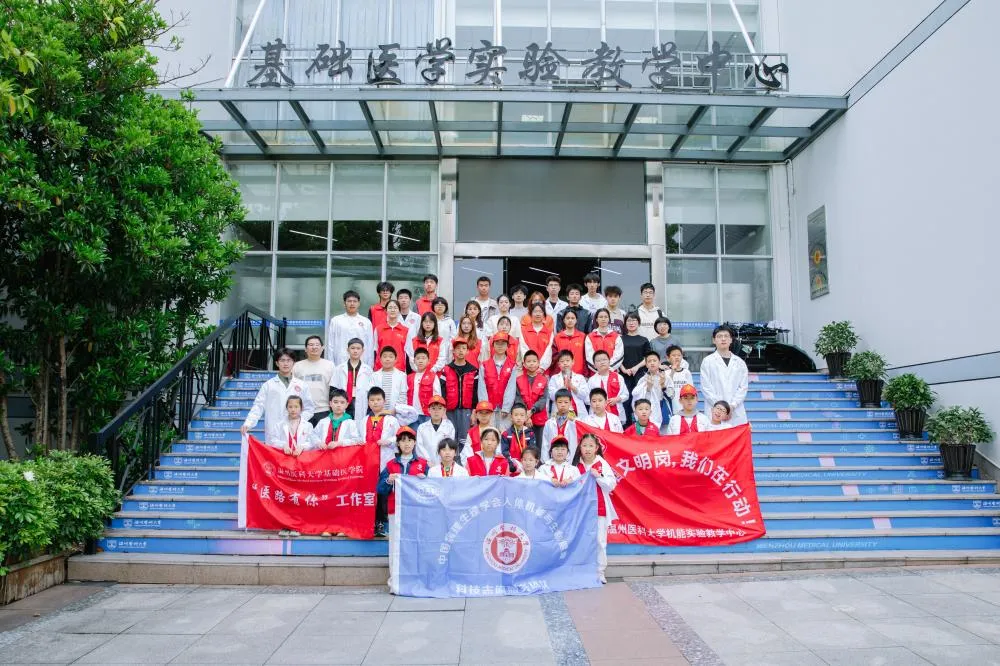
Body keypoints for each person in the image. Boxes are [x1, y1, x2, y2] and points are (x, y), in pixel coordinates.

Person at [377, 426, 427, 594]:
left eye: (410, 440)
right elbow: (380, 489)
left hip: (416, 512)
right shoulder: (391, 465)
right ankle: (395, 582)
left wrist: (424, 481)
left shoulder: (422, 464)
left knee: (416, 546)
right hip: (396, 511)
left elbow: (431, 490)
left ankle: (417, 581)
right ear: (398, 443)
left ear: (415, 443)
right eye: (403, 440)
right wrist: (388, 481)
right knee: (395, 547)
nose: (407, 444)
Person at [242, 348, 316, 444]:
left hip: (296, 431)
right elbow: (258, 406)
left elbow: (309, 408)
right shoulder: (268, 385)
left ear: (293, 363)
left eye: (289, 360)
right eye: (282, 360)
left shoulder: (302, 385)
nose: (286, 363)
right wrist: (248, 423)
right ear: (277, 363)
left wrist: (298, 420)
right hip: (274, 429)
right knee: (274, 450)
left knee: (295, 451)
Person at [573, 432, 617, 584]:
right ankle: (582, 570)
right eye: (584, 445)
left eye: (591, 446)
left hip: (599, 507)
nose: (587, 449)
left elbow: (611, 485)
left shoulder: (601, 464)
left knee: (599, 540)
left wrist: (598, 476)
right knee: (581, 540)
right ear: (580, 447)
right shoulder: (575, 465)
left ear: (597, 448)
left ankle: (599, 571)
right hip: (580, 510)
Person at [363, 387, 399, 537]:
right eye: (372, 400)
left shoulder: (391, 420)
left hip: (385, 460)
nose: (375, 402)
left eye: (378, 399)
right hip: (367, 462)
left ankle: (383, 523)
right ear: (368, 402)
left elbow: (398, 437)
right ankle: (370, 522)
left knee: (383, 492)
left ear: (384, 401)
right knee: (369, 492)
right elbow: (358, 438)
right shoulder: (364, 420)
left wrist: (388, 441)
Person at [700, 324, 750, 426]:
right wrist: (721, 408)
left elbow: (743, 388)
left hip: (735, 411)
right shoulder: (707, 361)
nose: (723, 339)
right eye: (719, 336)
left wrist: (732, 406)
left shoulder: (740, 363)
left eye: (726, 336)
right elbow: (706, 387)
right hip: (715, 410)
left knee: (737, 435)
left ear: (731, 340)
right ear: (714, 340)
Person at [442, 338, 479, 449]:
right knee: (450, 438)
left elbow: (476, 393)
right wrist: (443, 411)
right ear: (453, 351)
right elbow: (442, 392)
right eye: (458, 348)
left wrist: (474, 412)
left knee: (464, 439)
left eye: (463, 348)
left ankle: (463, 460)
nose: (461, 351)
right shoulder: (446, 369)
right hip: (449, 411)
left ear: (467, 351)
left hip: (466, 411)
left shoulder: (473, 370)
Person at [479, 332, 518, 431]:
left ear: (507, 346)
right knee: (489, 434)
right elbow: (482, 388)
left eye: (503, 343)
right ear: (493, 345)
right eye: (497, 343)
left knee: (504, 435)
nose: (500, 346)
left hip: (505, 410)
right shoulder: (484, 365)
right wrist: (485, 407)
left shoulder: (512, 365)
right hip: (489, 409)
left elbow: (511, 388)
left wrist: (506, 407)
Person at [293, 336, 336, 426]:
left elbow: (334, 389)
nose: (314, 347)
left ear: (322, 348)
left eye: (317, 344)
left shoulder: (330, 365)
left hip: (324, 410)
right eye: (311, 345)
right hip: (303, 411)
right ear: (305, 349)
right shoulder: (297, 366)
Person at [326, 290, 375, 367]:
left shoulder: (366, 322)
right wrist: (331, 365)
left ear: (359, 303)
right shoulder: (336, 321)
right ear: (344, 303)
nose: (352, 304)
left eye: (355, 301)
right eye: (349, 301)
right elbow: (330, 344)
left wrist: (370, 366)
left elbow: (370, 345)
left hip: (362, 361)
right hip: (340, 360)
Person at [620, 312, 652, 425]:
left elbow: (647, 357)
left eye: (634, 320)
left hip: (640, 375)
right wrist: (623, 369)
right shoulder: (620, 339)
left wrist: (636, 367)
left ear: (638, 323)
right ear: (625, 323)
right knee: (625, 400)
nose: (631, 323)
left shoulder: (644, 340)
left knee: (640, 399)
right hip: (624, 374)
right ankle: (627, 426)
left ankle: (641, 425)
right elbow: (617, 356)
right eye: (629, 320)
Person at [370, 346, 414, 426]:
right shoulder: (374, 376)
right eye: (385, 357)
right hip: (378, 414)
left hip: (396, 414)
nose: (387, 359)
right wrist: (379, 410)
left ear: (395, 359)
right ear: (380, 359)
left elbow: (403, 396)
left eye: (390, 357)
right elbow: (372, 395)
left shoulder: (402, 376)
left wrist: (394, 411)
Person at [330, 338, 372, 420]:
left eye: (358, 348)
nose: (355, 351)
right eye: (352, 348)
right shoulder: (339, 368)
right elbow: (333, 388)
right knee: (343, 424)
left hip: (361, 402)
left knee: (360, 423)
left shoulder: (368, 370)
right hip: (343, 401)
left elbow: (371, 391)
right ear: (347, 350)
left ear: (363, 351)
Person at [630, 350, 672, 434]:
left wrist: (663, 386)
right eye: (649, 361)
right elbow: (638, 399)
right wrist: (648, 388)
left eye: (654, 360)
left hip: (663, 407)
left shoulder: (666, 377)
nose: (652, 363)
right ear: (646, 364)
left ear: (659, 362)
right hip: (648, 410)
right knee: (649, 434)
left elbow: (671, 395)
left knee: (663, 433)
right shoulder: (643, 380)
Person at [515, 350, 550, 443]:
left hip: (539, 419)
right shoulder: (518, 380)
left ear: (538, 363)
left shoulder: (544, 380)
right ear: (524, 364)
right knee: (524, 445)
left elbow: (543, 399)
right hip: (522, 419)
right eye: (529, 361)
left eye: (534, 361)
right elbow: (518, 399)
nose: (531, 364)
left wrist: (531, 411)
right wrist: (526, 416)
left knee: (539, 445)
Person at [587, 350, 630, 421]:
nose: (602, 362)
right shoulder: (591, 380)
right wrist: (599, 402)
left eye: (604, 359)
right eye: (598, 361)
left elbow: (626, 395)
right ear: (594, 365)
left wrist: (617, 399)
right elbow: (587, 399)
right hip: (597, 416)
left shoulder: (618, 377)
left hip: (617, 413)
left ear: (609, 361)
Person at [406, 348, 442, 427]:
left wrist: (436, 412)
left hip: (427, 413)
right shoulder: (409, 377)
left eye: (423, 358)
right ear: (414, 361)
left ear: (428, 361)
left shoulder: (433, 376)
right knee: (413, 434)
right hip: (412, 414)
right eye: (418, 358)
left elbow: (437, 395)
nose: (420, 361)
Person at [415, 395, 455, 466]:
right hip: (426, 464)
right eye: (433, 408)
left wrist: (443, 462)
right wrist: (428, 462)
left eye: (440, 408)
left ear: (444, 410)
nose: (436, 411)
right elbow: (419, 447)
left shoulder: (449, 426)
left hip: (444, 464)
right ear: (429, 410)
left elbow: (450, 446)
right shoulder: (422, 427)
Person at [547, 350, 589, 417]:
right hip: (560, 411)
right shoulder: (554, 378)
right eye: (562, 361)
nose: (565, 363)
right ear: (558, 364)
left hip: (578, 412)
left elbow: (584, 395)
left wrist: (572, 387)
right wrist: (564, 387)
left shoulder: (580, 377)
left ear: (573, 362)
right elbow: (552, 396)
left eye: (567, 360)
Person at [542, 389, 579, 461]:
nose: (563, 405)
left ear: (570, 403)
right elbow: (545, 444)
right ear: (555, 403)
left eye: (566, 402)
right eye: (560, 402)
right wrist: (546, 461)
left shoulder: (576, 422)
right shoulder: (549, 423)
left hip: (571, 460)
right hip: (552, 460)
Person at [374, 300, 409, 371]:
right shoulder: (378, 329)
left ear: (399, 311)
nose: (392, 310)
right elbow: (375, 349)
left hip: (399, 369)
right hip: (381, 369)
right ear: (386, 310)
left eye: (395, 308)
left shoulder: (405, 330)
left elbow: (408, 351)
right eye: (390, 308)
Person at [586, 308, 623, 372]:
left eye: (606, 317)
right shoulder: (590, 337)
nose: (603, 319)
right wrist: (599, 369)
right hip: (595, 373)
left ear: (609, 319)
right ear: (596, 319)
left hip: (612, 372)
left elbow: (619, 355)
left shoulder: (616, 336)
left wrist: (609, 368)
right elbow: (589, 356)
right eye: (601, 317)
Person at [552, 309, 587, 376]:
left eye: (572, 318)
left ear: (576, 320)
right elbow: (555, 358)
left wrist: (585, 374)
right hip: (561, 374)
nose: (570, 320)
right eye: (568, 318)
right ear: (564, 320)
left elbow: (585, 357)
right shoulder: (557, 337)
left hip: (579, 374)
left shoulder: (583, 336)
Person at [521, 303, 554, 372]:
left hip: (544, 371)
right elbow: (523, 348)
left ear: (544, 314)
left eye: (540, 312)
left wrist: (542, 367)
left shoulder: (549, 332)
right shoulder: (523, 331)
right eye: (535, 311)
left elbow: (549, 351)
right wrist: (530, 365)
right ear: (530, 314)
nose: (538, 314)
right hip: (527, 370)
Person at [664, 345, 694, 416]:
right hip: (672, 407)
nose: (677, 357)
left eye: (679, 355)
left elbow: (691, 390)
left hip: (685, 408)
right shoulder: (666, 373)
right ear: (668, 358)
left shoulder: (686, 372)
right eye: (674, 355)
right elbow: (667, 390)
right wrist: (672, 371)